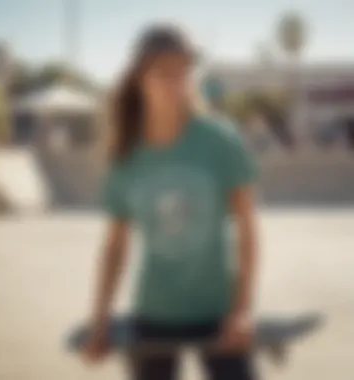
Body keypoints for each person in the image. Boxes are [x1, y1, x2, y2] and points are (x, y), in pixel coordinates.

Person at [82, 23, 259, 380]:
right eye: (162, 72)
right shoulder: (126, 156)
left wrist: (241, 312)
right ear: (139, 79)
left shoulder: (220, 141)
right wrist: (100, 318)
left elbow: (248, 232)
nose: (174, 83)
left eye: (182, 72)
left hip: (218, 313)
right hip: (154, 316)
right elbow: (116, 245)